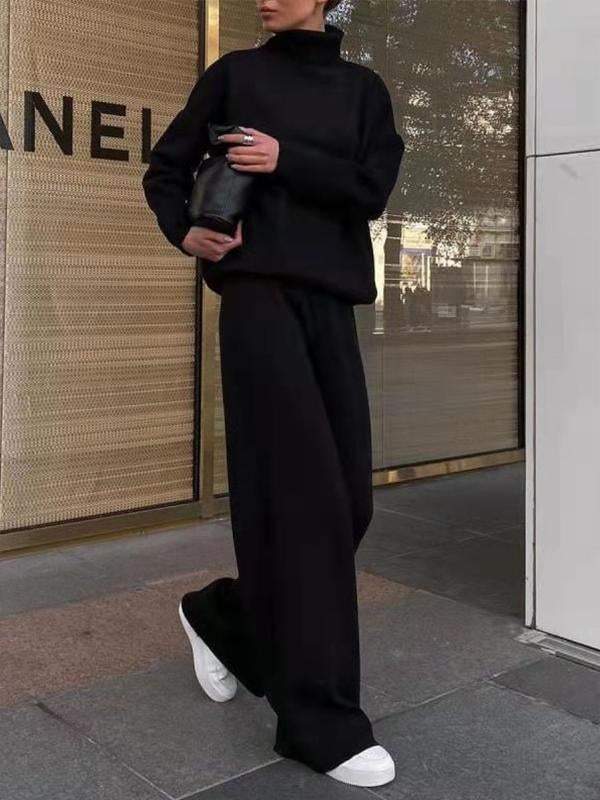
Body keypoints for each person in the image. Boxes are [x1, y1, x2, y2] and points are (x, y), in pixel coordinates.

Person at [142, 0, 405, 787]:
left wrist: (286, 158)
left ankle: (224, 616)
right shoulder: (236, 75)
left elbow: (370, 189)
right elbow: (166, 167)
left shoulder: (363, 91)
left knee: (348, 503)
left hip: (331, 305)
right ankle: (320, 723)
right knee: (305, 503)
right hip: (257, 300)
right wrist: (183, 229)